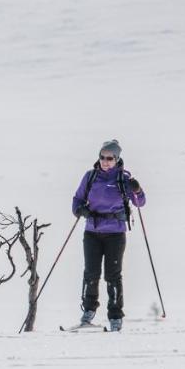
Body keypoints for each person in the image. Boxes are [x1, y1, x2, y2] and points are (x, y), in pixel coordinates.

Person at [71, 139, 146, 332]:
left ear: (117, 159)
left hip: (115, 233)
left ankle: (115, 317)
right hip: (92, 232)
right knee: (91, 274)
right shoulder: (90, 176)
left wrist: (137, 189)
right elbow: (77, 199)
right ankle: (88, 313)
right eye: (102, 157)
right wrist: (80, 210)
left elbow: (139, 203)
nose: (105, 161)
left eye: (109, 158)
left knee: (112, 276)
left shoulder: (124, 179)